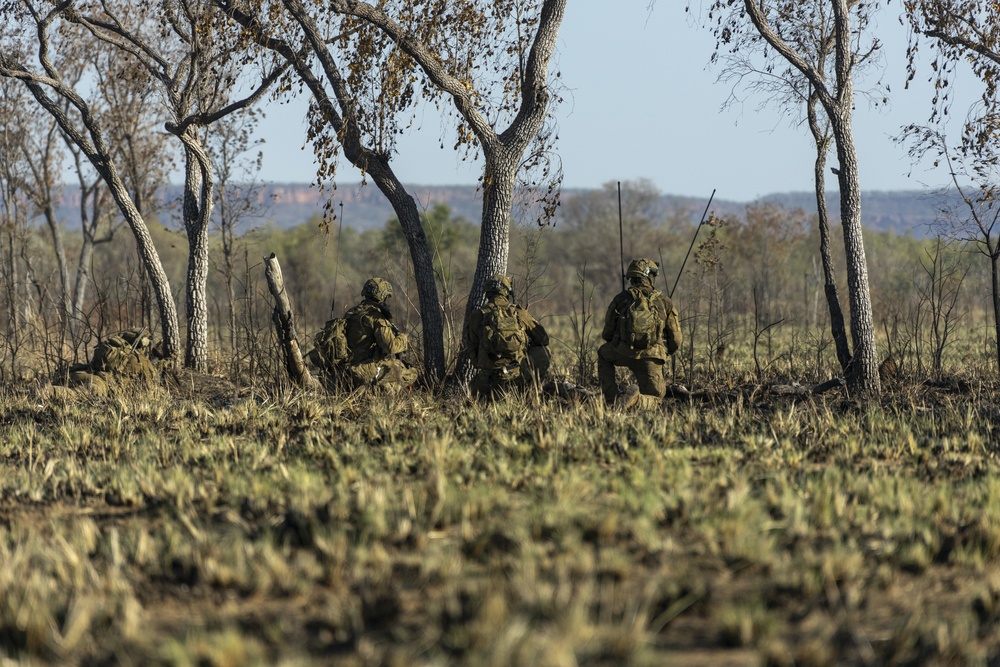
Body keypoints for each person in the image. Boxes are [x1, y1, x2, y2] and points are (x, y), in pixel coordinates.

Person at [598, 258, 682, 409]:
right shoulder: (664, 301)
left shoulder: (620, 299)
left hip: (621, 352)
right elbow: (675, 339)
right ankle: (637, 400)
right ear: (650, 277)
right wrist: (666, 351)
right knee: (656, 398)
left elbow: (607, 333)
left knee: (603, 354)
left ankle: (613, 399)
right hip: (651, 357)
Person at [467, 274, 550, 398]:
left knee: (475, 398)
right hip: (516, 376)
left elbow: (472, 350)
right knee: (544, 352)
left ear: (487, 292)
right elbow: (543, 339)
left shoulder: (477, 315)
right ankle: (529, 394)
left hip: (487, 380)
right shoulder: (519, 313)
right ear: (506, 292)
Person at [343, 276, 417, 391]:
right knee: (410, 372)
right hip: (364, 369)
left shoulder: (352, 312)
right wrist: (403, 338)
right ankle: (378, 391)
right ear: (382, 297)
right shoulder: (377, 318)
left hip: (345, 368)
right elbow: (391, 347)